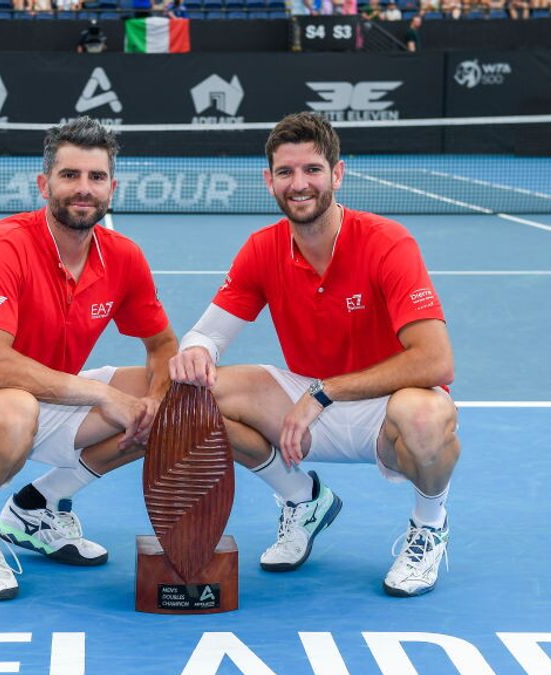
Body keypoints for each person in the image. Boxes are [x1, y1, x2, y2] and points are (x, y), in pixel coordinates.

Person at [169, 112, 459, 598]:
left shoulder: (388, 243)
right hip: (301, 409)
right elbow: (207, 334)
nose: (298, 184)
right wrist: (195, 352)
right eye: (285, 172)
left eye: (312, 170)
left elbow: (436, 362)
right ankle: (302, 500)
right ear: (269, 181)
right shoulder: (263, 249)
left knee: (427, 413)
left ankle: (429, 525)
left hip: (381, 411)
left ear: (338, 174)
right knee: (196, 395)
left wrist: (324, 393)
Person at [0, 117, 178, 602]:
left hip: (52, 398)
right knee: (16, 409)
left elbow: (162, 346)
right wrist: (105, 395)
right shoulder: (6, 245)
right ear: (44, 184)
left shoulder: (123, 258)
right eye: (70, 175)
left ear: (111, 187)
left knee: (175, 401)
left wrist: (156, 405)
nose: (84, 189)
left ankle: (37, 507)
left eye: (96, 178)